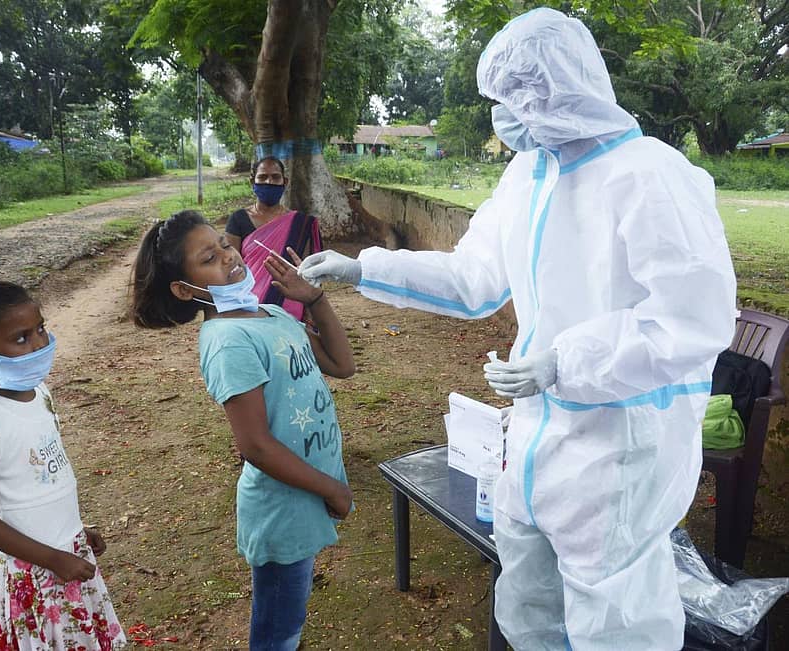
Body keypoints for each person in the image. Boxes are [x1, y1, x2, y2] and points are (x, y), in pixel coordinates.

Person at [298, 8, 737, 650]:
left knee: (616, 618)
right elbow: (473, 278)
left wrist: (567, 361)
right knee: (528, 599)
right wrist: (362, 266)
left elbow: (692, 320)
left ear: (558, 87)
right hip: (537, 432)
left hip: (620, 441)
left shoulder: (650, 174)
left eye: (515, 96)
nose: (504, 115)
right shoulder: (528, 175)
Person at [130, 210, 355, 650]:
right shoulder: (227, 342)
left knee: (290, 613)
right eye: (209, 258)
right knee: (278, 630)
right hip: (281, 508)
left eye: (225, 245)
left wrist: (315, 300)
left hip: (303, 496)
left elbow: (342, 365)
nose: (228, 258)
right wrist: (333, 488)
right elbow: (254, 444)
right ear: (184, 288)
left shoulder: (271, 313)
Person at [0, 281, 126, 651]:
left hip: (65, 549)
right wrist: (52, 558)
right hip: (31, 571)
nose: (38, 343)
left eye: (40, 329)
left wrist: (76, 530)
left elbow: (39, 482)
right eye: (20, 339)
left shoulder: (39, 392)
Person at [225, 156, 322, 321]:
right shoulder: (238, 219)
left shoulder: (300, 224)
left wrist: (311, 310)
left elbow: (310, 271)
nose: (269, 182)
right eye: (262, 177)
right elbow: (229, 267)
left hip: (291, 306)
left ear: (285, 181)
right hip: (249, 306)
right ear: (252, 181)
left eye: (275, 177)